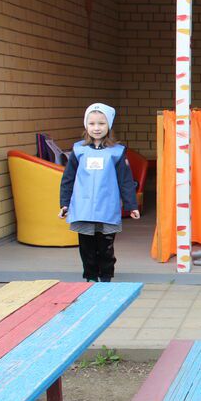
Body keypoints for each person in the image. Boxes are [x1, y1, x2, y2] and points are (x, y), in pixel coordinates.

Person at [59, 103, 139, 282]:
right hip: (83, 207)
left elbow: (125, 181)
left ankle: (106, 276)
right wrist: (64, 204)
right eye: (92, 123)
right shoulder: (78, 150)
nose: (96, 128)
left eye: (101, 123)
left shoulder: (117, 152)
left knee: (106, 245)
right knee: (86, 246)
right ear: (86, 125)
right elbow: (68, 179)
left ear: (109, 125)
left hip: (107, 207)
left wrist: (131, 205)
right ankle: (90, 276)